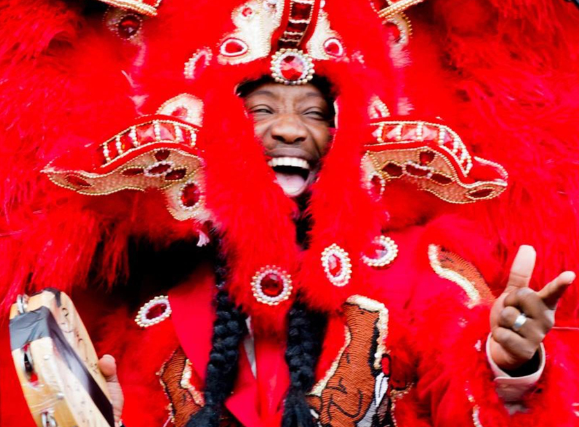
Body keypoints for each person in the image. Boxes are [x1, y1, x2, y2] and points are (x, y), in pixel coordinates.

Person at [0, 0, 578, 426]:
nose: (289, 129)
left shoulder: (420, 275)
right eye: (261, 109)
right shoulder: (157, 310)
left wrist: (512, 363)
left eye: (315, 112)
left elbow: (480, 399)